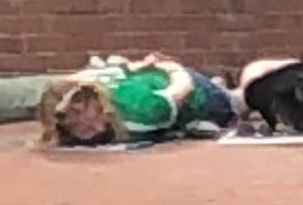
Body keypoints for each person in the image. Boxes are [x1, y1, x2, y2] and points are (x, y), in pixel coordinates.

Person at [36, 53, 235, 148]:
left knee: (234, 101)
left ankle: (224, 88)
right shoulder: (77, 85)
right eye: (72, 126)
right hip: (146, 79)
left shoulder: (141, 111)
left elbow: (184, 86)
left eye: (81, 114)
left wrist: (171, 67)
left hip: (200, 95)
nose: (95, 128)